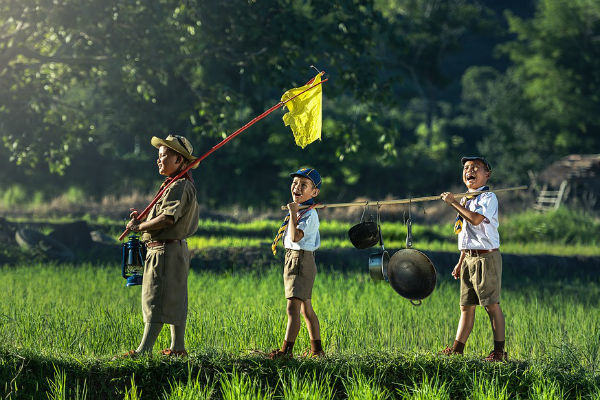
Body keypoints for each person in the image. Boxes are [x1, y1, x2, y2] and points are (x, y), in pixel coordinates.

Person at [119, 134, 199, 358]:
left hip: (164, 250)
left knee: (156, 297)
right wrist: (143, 221)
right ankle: (177, 348)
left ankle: (144, 350)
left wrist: (140, 226)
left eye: (164, 156)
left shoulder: (179, 186)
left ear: (180, 161)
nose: (159, 160)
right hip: (170, 249)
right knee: (174, 297)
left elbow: (167, 219)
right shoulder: (173, 184)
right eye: (159, 156)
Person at [439, 156, 507, 362]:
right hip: (469, 258)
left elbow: (475, 220)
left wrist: (452, 204)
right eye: (467, 168)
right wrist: (460, 262)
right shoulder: (465, 199)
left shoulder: (488, 198)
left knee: (490, 305)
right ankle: (457, 350)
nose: (470, 171)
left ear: (487, 174)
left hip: (486, 259)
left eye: (476, 168)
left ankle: (499, 353)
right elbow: (466, 235)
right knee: (466, 306)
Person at [269, 167, 324, 359]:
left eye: (304, 185)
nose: (297, 188)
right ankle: (317, 350)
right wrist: (295, 210)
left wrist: (293, 212)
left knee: (292, 308)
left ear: (314, 193)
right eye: (295, 183)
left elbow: (295, 236)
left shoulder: (309, 215)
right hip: (293, 258)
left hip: (300, 260)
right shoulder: (302, 210)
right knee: (305, 308)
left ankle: (286, 351)